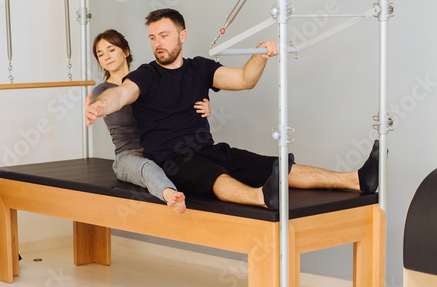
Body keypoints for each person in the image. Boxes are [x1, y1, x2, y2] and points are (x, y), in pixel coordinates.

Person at [85, 9, 379, 210]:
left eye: (164, 35)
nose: (157, 43)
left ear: (182, 35)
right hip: (171, 159)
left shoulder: (200, 68)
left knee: (276, 165)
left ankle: (355, 179)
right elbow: (122, 94)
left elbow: (244, 79)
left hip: (208, 148)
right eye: (152, 37)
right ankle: (262, 198)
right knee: (215, 176)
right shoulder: (147, 74)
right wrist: (101, 105)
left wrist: (262, 55)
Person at [90, 29, 211, 214]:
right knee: (148, 168)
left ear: (126, 51)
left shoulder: (147, 79)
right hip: (129, 155)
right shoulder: (103, 92)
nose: (106, 56)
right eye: (100, 54)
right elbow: (113, 108)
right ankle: (170, 194)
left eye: (111, 49)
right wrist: (95, 107)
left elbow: (174, 107)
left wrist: (203, 107)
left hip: (158, 149)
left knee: (196, 159)